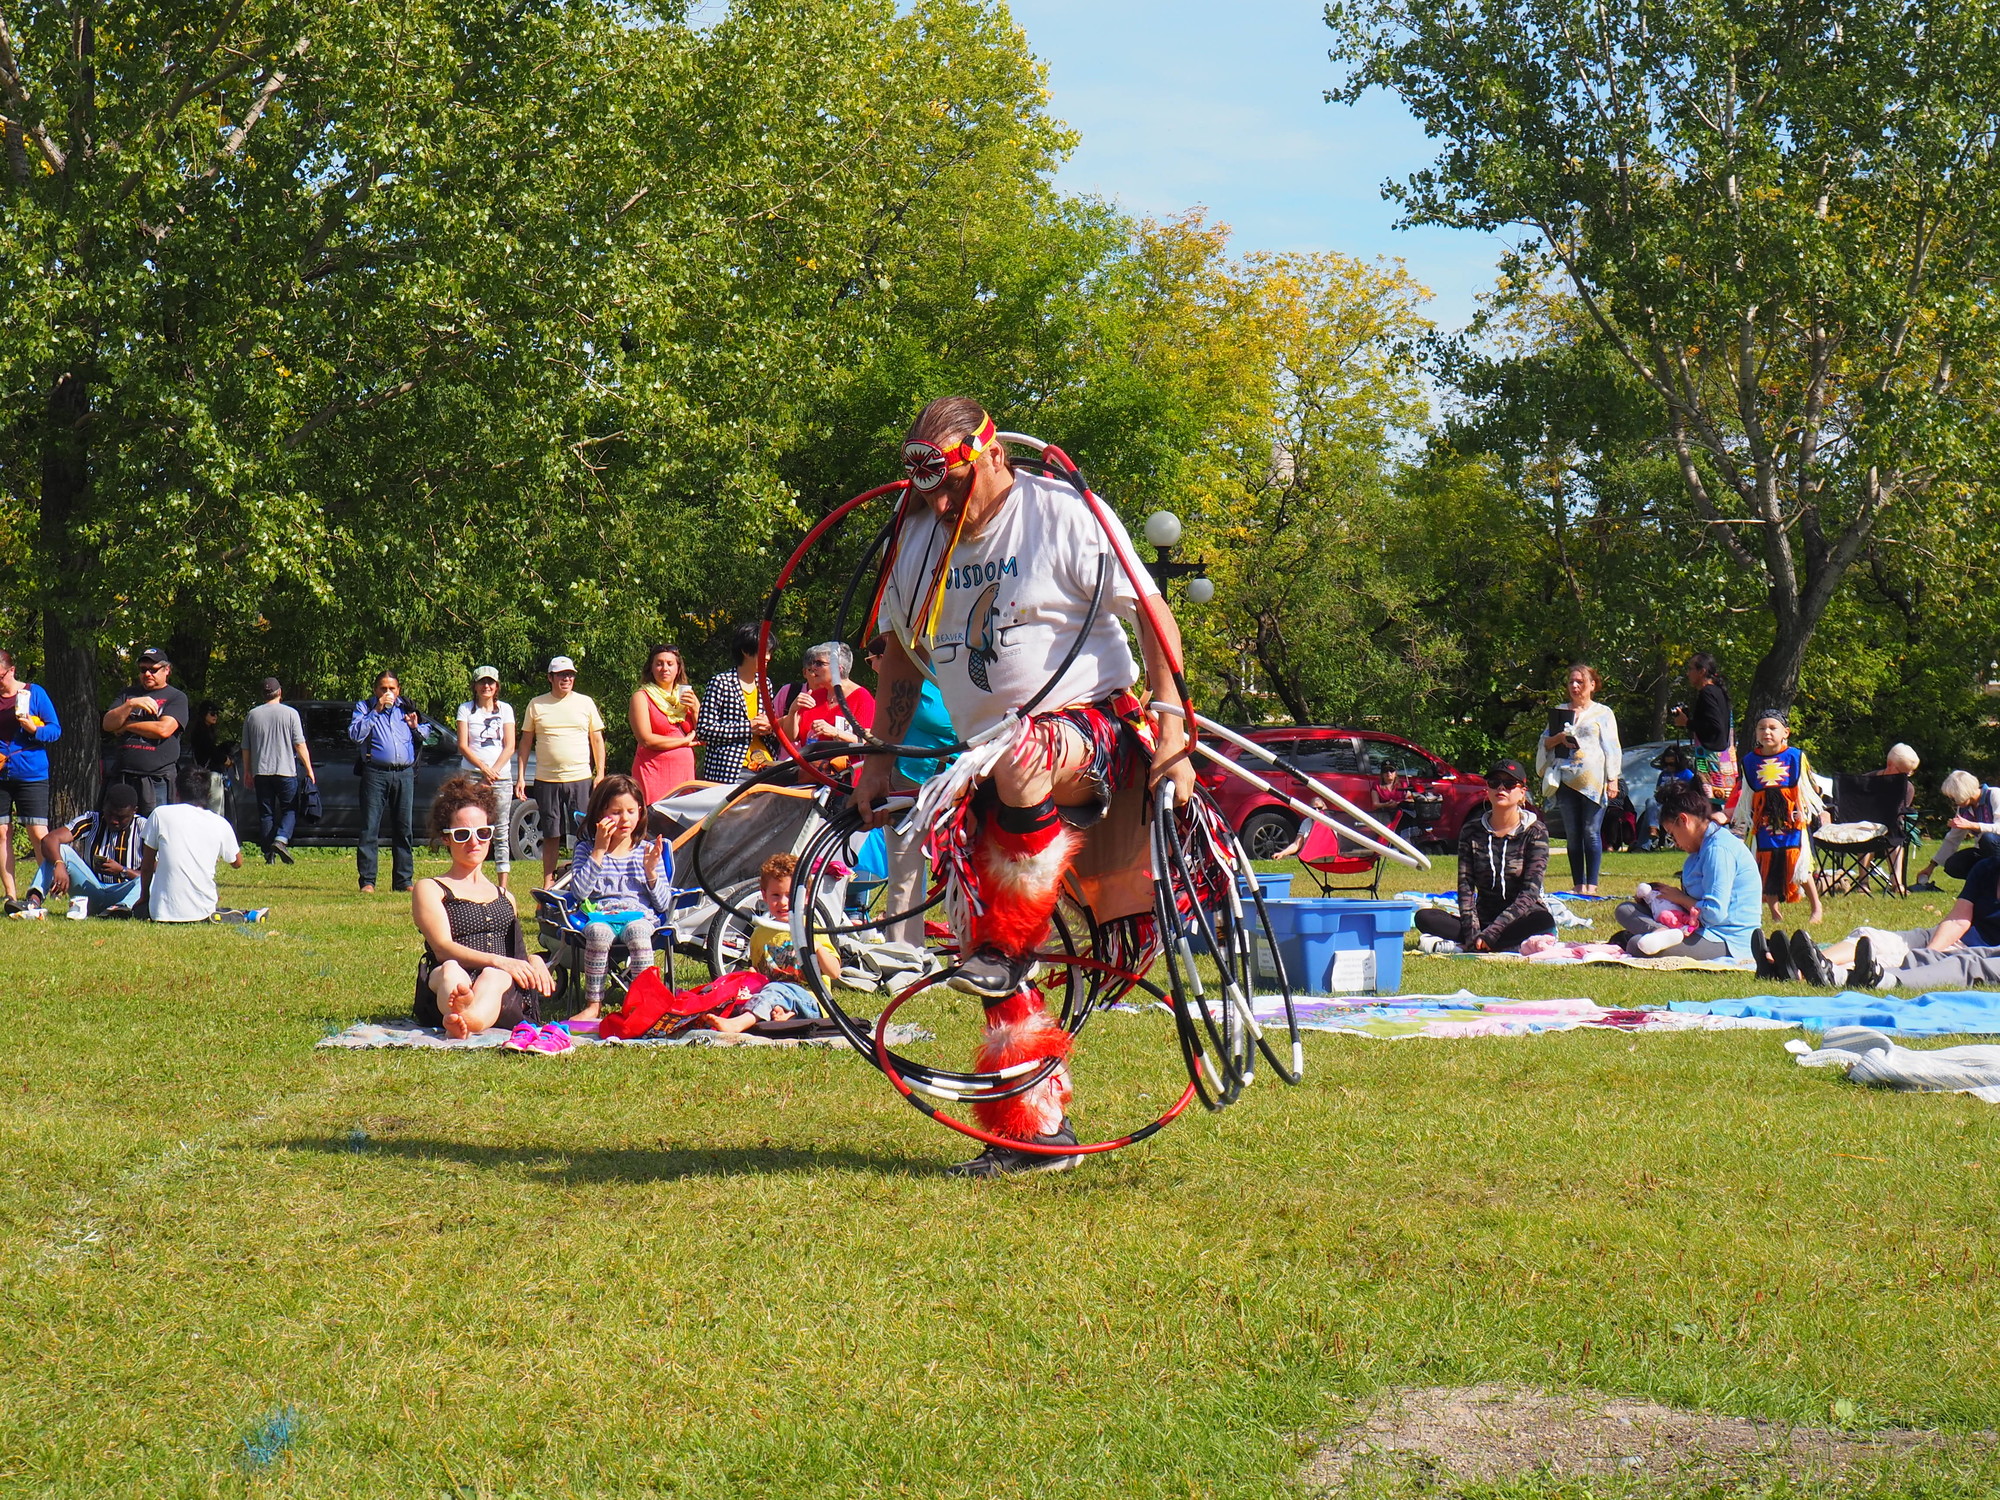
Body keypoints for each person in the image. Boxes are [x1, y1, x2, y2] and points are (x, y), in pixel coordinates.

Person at [855, 397, 1194, 1178]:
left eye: (952, 484)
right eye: (926, 488)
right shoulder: (917, 533)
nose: (939, 503)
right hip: (981, 760)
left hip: (1091, 728)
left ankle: (1009, 938)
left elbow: (1152, 613)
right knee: (981, 941)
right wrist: (879, 758)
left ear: (994, 454)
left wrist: (1174, 729)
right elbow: (900, 654)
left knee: (1022, 755)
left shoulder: (1062, 514)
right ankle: (1034, 1130)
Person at [411, 776, 559, 1046]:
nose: (474, 842)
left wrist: (534, 961)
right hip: (449, 980)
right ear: (447, 839)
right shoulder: (431, 888)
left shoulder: (505, 896)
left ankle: (467, 1020)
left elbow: (516, 956)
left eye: (482, 833)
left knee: (495, 976)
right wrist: (497, 960)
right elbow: (442, 949)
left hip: (499, 988)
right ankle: (462, 1008)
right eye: (462, 835)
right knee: (450, 970)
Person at [1787, 854, 2000, 990]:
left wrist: (1929, 955)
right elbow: (1958, 919)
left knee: (1896, 959)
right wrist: (1932, 949)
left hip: (1976, 950)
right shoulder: (1987, 867)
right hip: (1947, 934)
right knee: (1869, 937)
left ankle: (1828, 973)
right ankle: (1799, 965)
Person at [1412, 758, 1555, 954]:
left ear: (1522, 792)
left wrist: (1493, 932)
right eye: (1494, 783)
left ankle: (1486, 942)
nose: (1501, 788)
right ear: (1487, 790)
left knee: (1543, 920)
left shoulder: (1535, 831)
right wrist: (1473, 933)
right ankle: (1483, 942)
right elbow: (1465, 888)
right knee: (1425, 917)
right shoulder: (1471, 830)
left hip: (1521, 917)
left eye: (1510, 784)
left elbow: (1530, 892)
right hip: (1483, 917)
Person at [867, 634, 956, 947]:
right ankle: (903, 953)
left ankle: (978, 952)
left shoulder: (956, 668)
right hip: (906, 781)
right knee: (904, 873)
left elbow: (948, 724)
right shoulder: (909, 662)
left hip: (961, 781)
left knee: (967, 872)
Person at [565, 774, 673, 1024]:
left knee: (637, 932)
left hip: (639, 915)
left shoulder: (646, 851)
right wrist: (599, 851)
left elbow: (664, 905)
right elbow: (579, 893)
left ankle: (644, 1004)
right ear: (600, 813)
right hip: (600, 915)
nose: (625, 819)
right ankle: (594, 1005)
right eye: (616, 812)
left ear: (640, 813)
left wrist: (651, 872)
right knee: (599, 933)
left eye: (631, 811)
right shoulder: (586, 849)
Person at [1611, 778, 1759, 959]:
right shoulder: (1700, 849)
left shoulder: (1719, 850)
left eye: (1673, 835)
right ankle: (1661, 933)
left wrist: (1680, 898)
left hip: (1726, 938)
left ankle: (1655, 937)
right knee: (1625, 909)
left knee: (1636, 945)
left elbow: (1715, 914)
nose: (1676, 843)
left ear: (1684, 820)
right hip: (1694, 925)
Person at [697, 852, 834, 1033]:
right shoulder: (760, 934)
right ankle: (786, 1017)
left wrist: (815, 947)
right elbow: (758, 972)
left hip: (811, 1000)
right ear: (764, 895)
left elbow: (834, 972)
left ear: (806, 896)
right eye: (776, 895)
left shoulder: (811, 930)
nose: (783, 903)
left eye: (790, 895)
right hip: (771, 995)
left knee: (776, 990)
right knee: (753, 994)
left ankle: (738, 1024)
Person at [517, 655, 606, 887]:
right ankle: (548, 881)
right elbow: (526, 742)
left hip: (580, 778)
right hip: (547, 779)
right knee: (551, 832)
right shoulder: (536, 704)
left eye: (570, 675)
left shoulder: (585, 703)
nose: (567, 679)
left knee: (584, 832)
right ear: (550, 677)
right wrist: (520, 776)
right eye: (561, 675)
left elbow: (597, 740)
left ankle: (585, 878)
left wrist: (601, 773)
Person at [1534, 661, 1621, 895]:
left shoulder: (1603, 713)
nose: (1574, 686)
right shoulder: (1561, 711)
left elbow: (1612, 747)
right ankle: (1577, 884)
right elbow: (1545, 742)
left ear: (1592, 685)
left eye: (1580, 682)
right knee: (1573, 834)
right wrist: (1559, 737)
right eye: (1571, 682)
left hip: (1593, 782)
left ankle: (1591, 885)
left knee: (1591, 831)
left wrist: (1613, 779)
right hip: (1566, 780)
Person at [1741, 710, 1827, 924]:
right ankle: (1774, 913)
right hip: (1764, 819)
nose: (1766, 732)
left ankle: (1816, 907)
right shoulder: (1750, 761)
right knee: (1767, 863)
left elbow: (1807, 788)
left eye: (1772, 728)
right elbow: (1746, 794)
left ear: (1785, 732)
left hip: (1792, 818)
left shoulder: (1794, 757)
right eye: (1762, 728)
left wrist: (1806, 811)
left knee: (1798, 862)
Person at [17, 783, 146, 917]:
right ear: (104, 806)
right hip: (91, 890)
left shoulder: (144, 828)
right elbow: (49, 840)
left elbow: (155, 875)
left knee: (152, 879)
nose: (114, 821)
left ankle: (121, 909)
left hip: (124, 892)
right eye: (110, 814)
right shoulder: (93, 820)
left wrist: (122, 871)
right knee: (60, 850)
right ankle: (33, 902)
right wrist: (59, 864)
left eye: (121, 817)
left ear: (134, 811)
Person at [349, 670, 423, 894]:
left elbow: (430, 735)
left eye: (392, 689)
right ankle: (368, 881)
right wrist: (377, 710)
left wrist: (415, 726)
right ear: (376, 690)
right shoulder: (365, 707)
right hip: (375, 773)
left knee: (403, 829)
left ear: (398, 690)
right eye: (383, 688)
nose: (388, 693)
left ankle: (403, 881)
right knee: (370, 828)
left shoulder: (407, 708)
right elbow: (355, 734)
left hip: (404, 774)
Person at [139, 769, 242, 922]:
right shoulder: (220, 823)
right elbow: (237, 863)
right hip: (204, 910)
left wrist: (144, 897)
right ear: (208, 795)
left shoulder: (160, 814)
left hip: (161, 912)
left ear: (177, 793)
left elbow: (147, 866)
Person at [0, 647, 61, 906]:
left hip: (31, 773)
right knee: (2, 832)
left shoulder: (34, 693)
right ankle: (10, 895)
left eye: (0, 676)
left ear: (11, 670)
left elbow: (55, 731)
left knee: (38, 833)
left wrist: (34, 729)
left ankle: (40, 892)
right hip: (2, 773)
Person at [101, 646, 189, 814]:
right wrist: (130, 704)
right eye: (143, 670)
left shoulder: (176, 697)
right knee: (118, 829)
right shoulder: (127, 694)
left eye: (153, 669)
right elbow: (108, 724)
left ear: (167, 670)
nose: (148, 674)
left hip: (156, 780)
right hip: (123, 776)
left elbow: (163, 729)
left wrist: (126, 725)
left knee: (156, 831)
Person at [240, 677, 315, 865]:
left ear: (263, 694)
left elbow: (246, 748)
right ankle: (281, 840)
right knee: (290, 809)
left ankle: (268, 855)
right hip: (285, 771)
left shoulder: (252, 715)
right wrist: (309, 769)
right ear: (280, 692)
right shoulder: (290, 714)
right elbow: (299, 744)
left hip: (261, 772)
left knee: (266, 813)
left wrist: (247, 771)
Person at [456, 667, 517, 892]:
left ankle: (502, 886)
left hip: (500, 778)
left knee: (501, 830)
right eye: (482, 682)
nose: (487, 687)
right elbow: (462, 745)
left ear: (497, 686)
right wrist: (483, 769)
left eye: (491, 683)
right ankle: (473, 879)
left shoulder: (506, 710)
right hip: (472, 775)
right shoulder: (465, 710)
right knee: (472, 829)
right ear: (475, 685)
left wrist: (494, 771)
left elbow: (510, 745)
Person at [695, 624, 777, 783]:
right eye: (763, 652)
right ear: (746, 651)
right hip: (732, 770)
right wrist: (749, 727)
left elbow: (769, 725)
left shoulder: (765, 684)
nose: (768, 657)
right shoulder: (720, 683)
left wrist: (769, 726)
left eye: (769, 652)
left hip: (764, 766)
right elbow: (704, 730)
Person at [628, 645, 700, 805]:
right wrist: (683, 742)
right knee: (654, 823)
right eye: (659, 663)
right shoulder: (641, 697)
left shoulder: (686, 697)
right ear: (651, 668)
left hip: (683, 775)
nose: (664, 668)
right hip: (653, 772)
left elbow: (703, 736)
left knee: (683, 826)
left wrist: (695, 708)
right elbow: (646, 739)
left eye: (670, 663)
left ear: (678, 668)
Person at [780, 641, 876, 760]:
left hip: (844, 775)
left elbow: (869, 743)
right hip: (810, 773)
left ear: (838, 669)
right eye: (814, 663)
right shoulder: (815, 695)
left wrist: (836, 732)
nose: (813, 667)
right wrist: (793, 711)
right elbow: (791, 737)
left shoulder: (862, 698)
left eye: (820, 663)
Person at [1671, 652, 1738, 817]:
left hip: (1710, 765)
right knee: (1697, 803)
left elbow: (1714, 727)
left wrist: (1687, 722)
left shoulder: (1707, 693)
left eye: (1690, 668)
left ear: (1702, 671)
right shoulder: (1718, 692)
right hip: (1722, 761)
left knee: (1701, 807)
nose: (1688, 673)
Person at [1912, 770, 2000, 890]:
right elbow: (1952, 839)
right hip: (1986, 851)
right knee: (1953, 865)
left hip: (1995, 845)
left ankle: (1995, 883)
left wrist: (1970, 825)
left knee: (1988, 838)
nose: (1952, 801)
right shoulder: (1963, 809)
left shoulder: (1994, 795)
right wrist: (1931, 866)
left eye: (1953, 797)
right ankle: (1986, 883)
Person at [187, 700, 233, 815]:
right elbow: (210, 751)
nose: (215, 716)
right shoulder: (201, 732)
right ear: (204, 714)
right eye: (212, 713)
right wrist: (225, 759)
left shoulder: (207, 731)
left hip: (204, 775)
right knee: (215, 811)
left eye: (217, 713)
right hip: (210, 775)